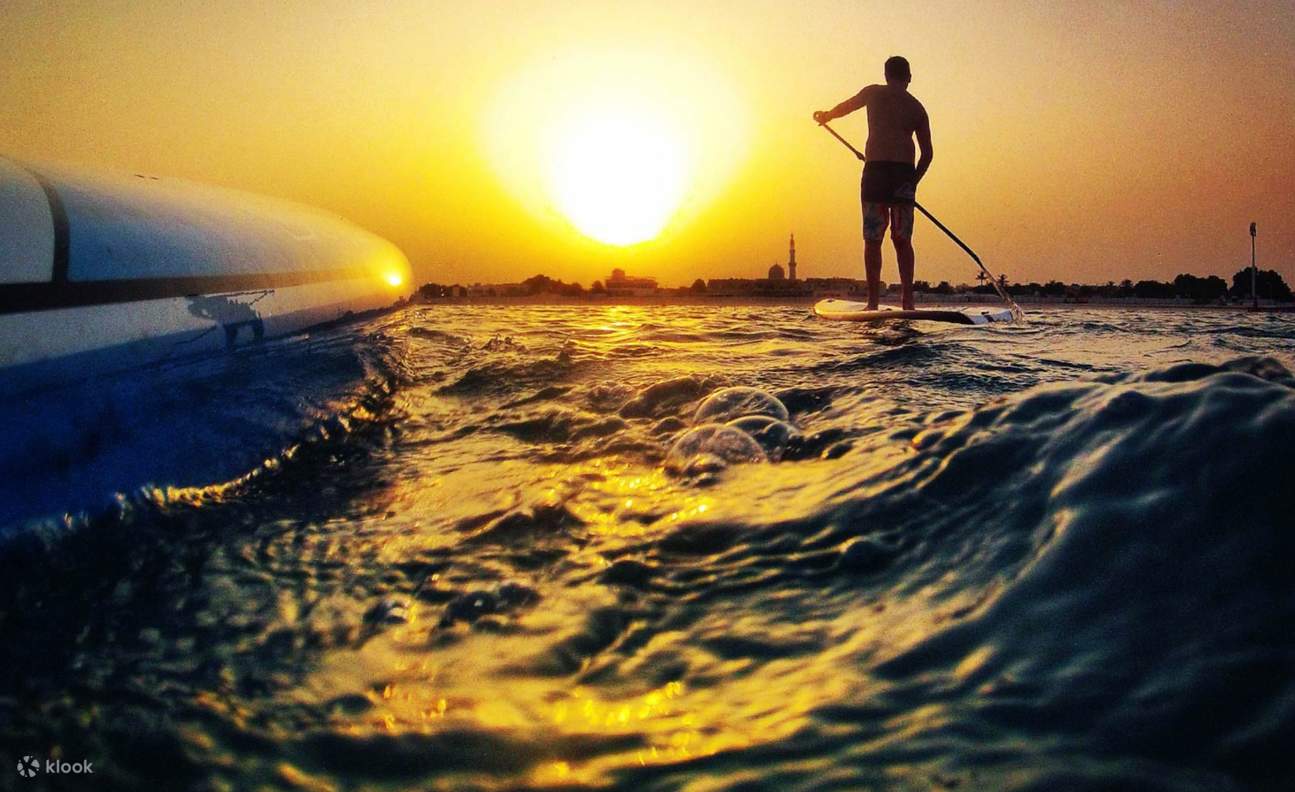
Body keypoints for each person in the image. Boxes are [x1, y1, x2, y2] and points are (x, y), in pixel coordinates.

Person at [814, 56, 932, 310]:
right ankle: (907, 302)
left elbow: (845, 107)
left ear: (886, 74)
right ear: (909, 77)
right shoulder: (917, 108)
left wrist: (826, 116)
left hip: (877, 173)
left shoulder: (873, 93)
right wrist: (912, 183)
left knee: (873, 239)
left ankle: (873, 303)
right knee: (902, 240)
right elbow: (928, 154)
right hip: (902, 175)